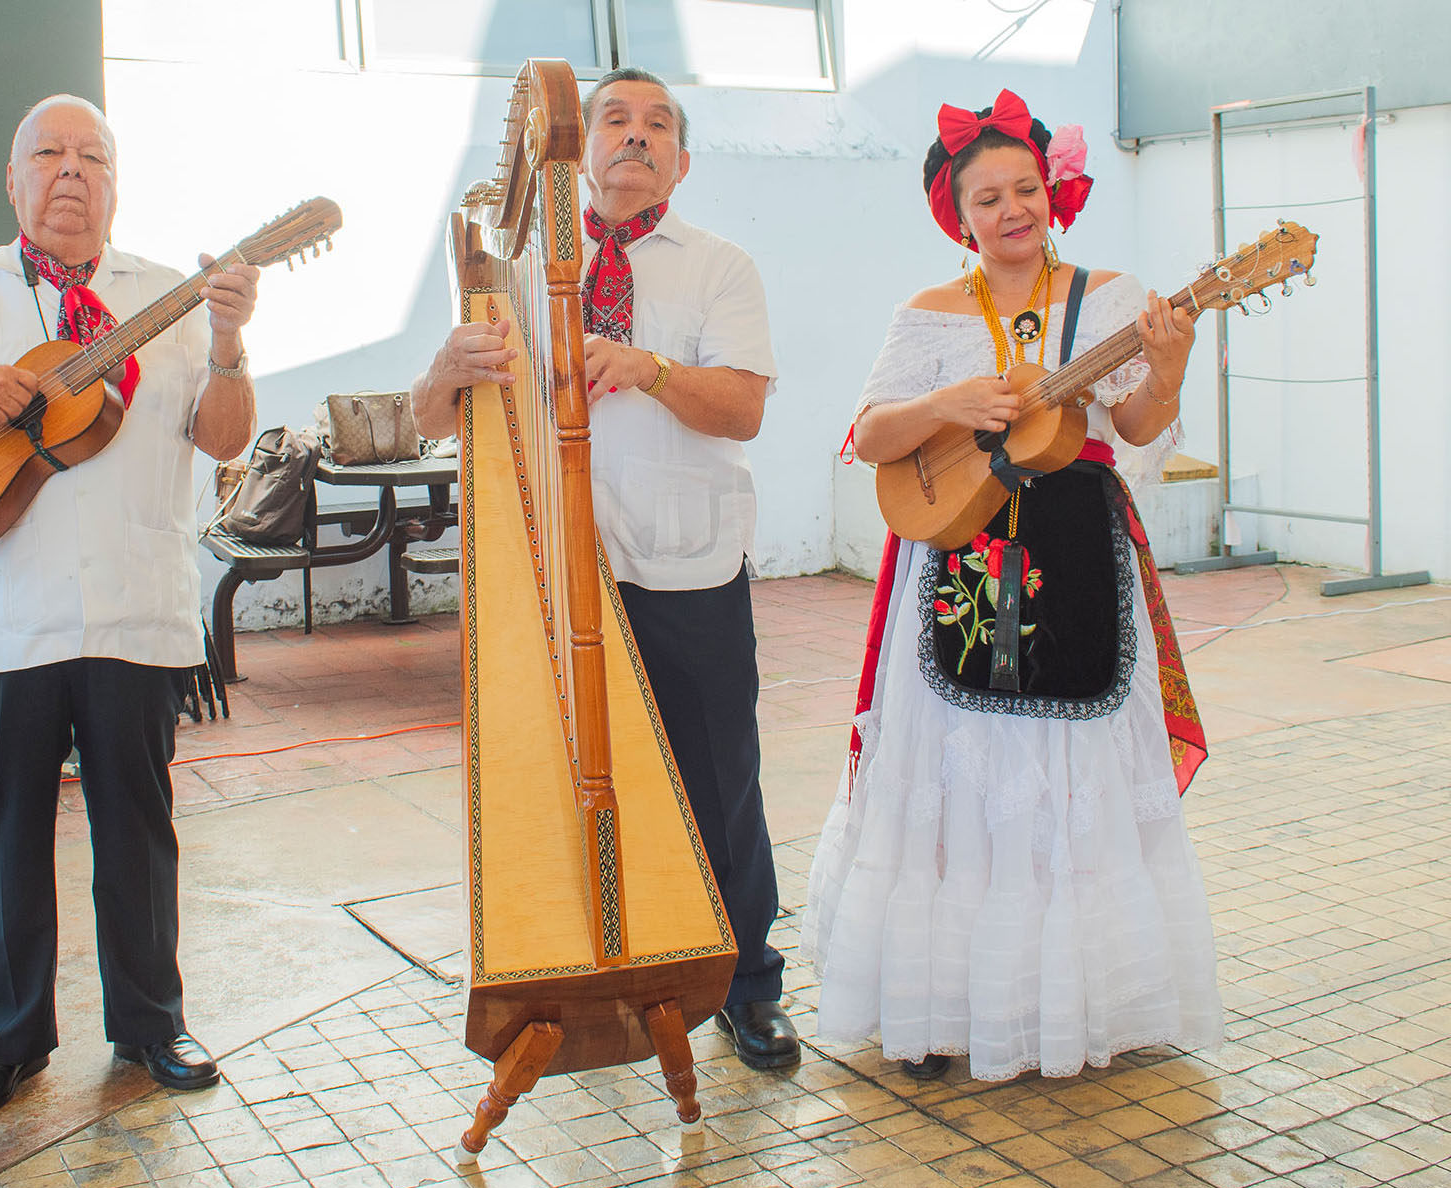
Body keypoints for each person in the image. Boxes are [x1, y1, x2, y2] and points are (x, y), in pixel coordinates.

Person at [0, 95, 258, 1119]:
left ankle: (153, 1024)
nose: (72, 172)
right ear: (15, 181)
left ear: (116, 182)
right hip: (3, 618)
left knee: (139, 832)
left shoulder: (171, 297)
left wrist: (233, 341)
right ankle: (10, 1043)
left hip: (134, 611)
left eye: (94, 157)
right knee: (6, 839)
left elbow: (228, 438)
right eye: (50, 155)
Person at [803, 89, 1223, 1083]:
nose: (1010, 211)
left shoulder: (1114, 300)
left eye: (1025, 188)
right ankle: (944, 1007)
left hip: (1075, 555)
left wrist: (1170, 360)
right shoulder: (928, 315)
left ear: (1055, 191)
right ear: (958, 215)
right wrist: (945, 400)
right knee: (957, 772)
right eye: (986, 198)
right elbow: (870, 436)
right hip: (957, 559)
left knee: (1070, 767)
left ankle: (1089, 1004)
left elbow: (1138, 428)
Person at [412, 67, 796, 1070]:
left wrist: (647, 367)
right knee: (583, 779)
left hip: (690, 559)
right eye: (614, 119)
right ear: (572, 151)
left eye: (655, 124)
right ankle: (596, 963)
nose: (633, 136)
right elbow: (429, 417)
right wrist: (449, 371)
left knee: (722, 783)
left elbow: (745, 409)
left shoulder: (721, 268)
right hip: (559, 567)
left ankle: (751, 983)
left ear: (682, 157)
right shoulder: (515, 267)